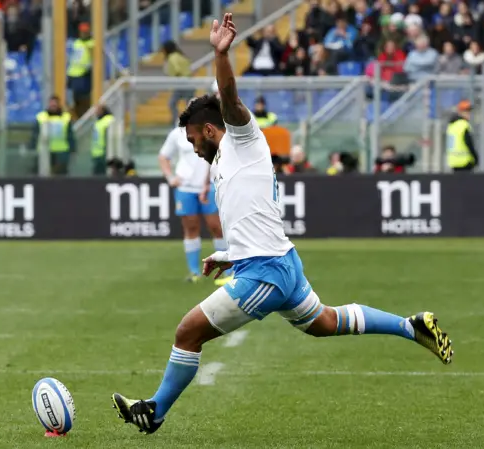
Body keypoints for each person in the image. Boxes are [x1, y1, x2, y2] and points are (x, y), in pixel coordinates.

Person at [112, 13, 454, 435]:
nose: (192, 148)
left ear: (208, 130)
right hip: (280, 262)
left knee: (187, 332)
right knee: (324, 322)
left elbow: (231, 97)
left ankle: (155, 411)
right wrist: (228, 255)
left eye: (193, 139)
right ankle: (411, 325)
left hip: (265, 273)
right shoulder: (224, 161)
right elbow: (249, 216)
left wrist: (221, 55)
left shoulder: (243, 137)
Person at [158, 108, 232, 285]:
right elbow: (163, 156)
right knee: (190, 227)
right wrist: (170, 177)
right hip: (185, 187)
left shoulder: (209, 131)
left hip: (210, 186)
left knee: (216, 226)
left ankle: (227, 273)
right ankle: (194, 272)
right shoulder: (177, 134)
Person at [31, 95, 75, 176]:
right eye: (51, 104)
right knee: (41, 172)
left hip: (61, 150)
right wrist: (32, 146)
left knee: (61, 173)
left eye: (55, 104)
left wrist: (72, 148)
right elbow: (35, 133)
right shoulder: (41, 116)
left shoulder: (65, 117)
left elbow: (70, 134)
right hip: (44, 149)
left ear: (58, 105)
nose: (53, 106)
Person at [446, 100, 478, 172]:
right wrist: (475, 157)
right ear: (460, 112)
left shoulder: (451, 125)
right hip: (465, 163)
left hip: (453, 162)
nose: (468, 114)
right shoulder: (464, 125)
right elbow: (469, 143)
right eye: (466, 111)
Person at [92, 105, 115, 175]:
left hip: (104, 153)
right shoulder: (98, 121)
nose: (96, 112)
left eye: (98, 110)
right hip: (97, 153)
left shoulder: (108, 120)